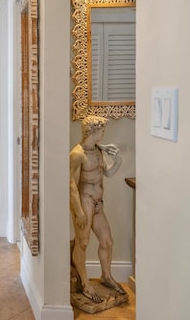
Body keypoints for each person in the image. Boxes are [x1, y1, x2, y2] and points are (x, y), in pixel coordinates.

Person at [70, 115, 126, 303]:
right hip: (85, 201)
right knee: (83, 242)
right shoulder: (78, 154)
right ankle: (84, 283)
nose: (104, 134)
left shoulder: (98, 151)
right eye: (102, 130)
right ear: (92, 131)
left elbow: (106, 173)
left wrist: (117, 161)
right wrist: (78, 211)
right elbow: (70, 184)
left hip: (98, 204)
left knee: (107, 241)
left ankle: (106, 276)